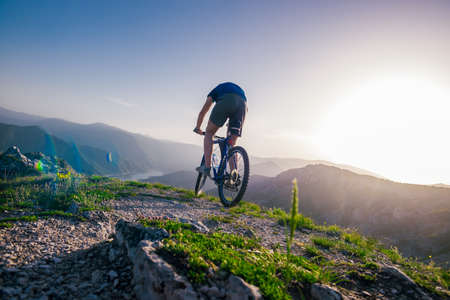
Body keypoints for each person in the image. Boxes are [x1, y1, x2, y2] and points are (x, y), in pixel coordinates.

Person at [194, 82, 247, 177]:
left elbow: (203, 111)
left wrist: (198, 127)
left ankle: (206, 167)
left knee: (209, 133)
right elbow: (245, 110)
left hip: (227, 100)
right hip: (243, 105)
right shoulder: (237, 90)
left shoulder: (215, 91)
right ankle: (234, 174)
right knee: (231, 143)